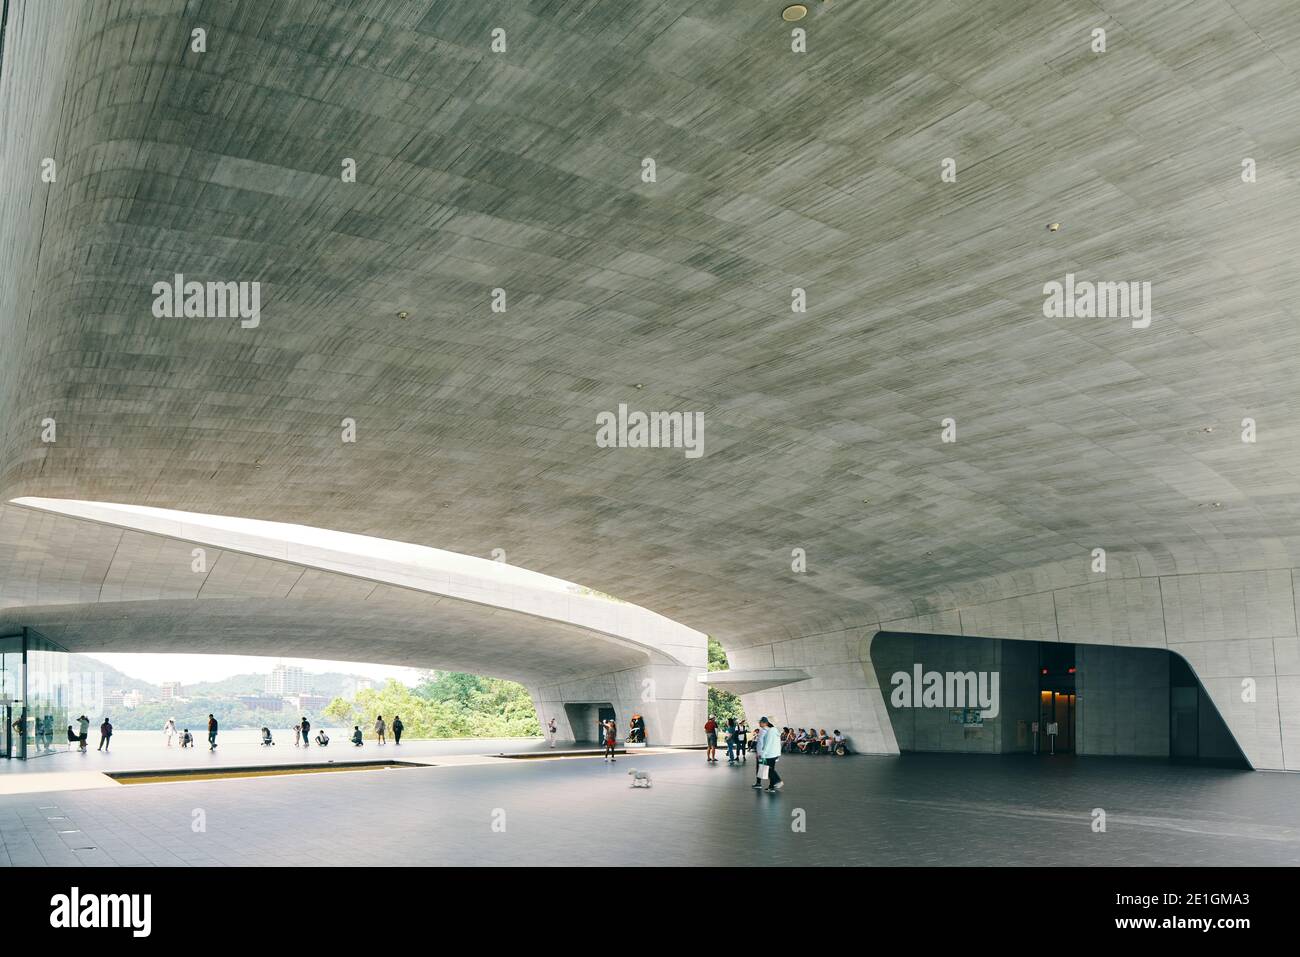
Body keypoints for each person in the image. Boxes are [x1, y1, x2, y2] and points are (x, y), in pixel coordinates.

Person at [753, 716, 783, 792]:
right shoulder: (774, 730)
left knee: (769, 770)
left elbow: (766, 744)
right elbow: (777, 744)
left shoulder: (768, 731)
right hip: (773, 753)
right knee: (770, 769)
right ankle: (771, 786)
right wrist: (778, 754)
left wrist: (762, 754)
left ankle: (777, 782)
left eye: (761, 722)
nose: (759, 723)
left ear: (767, 722)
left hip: (767, 754)